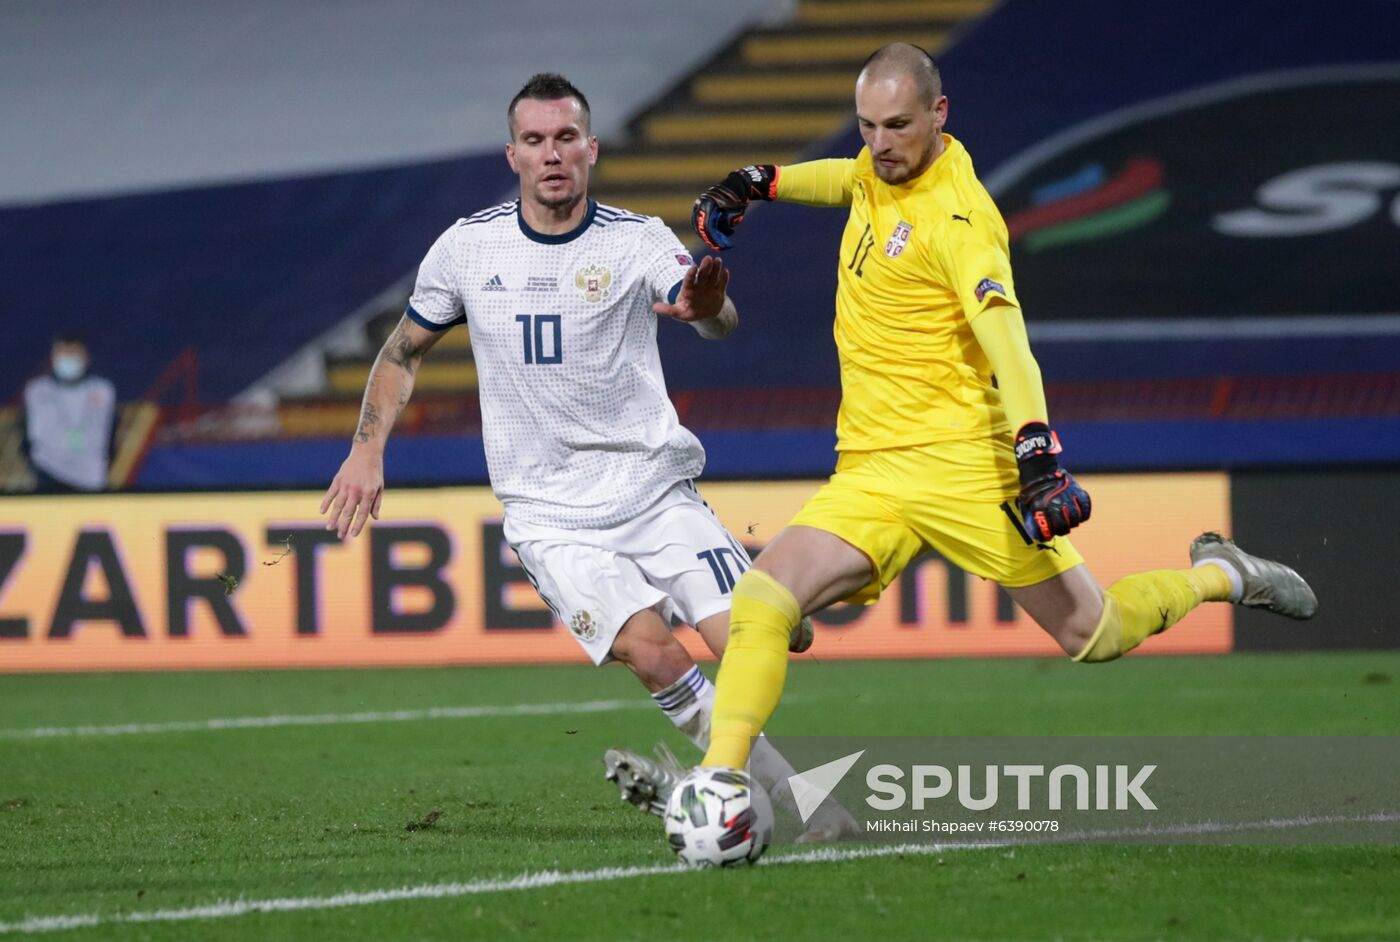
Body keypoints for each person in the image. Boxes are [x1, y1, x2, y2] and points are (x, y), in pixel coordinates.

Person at [687, 43, 1318, 775]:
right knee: (761, 599)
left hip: (965, 465)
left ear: (938, 113)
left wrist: (1038, 453)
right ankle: (721, 782)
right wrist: (760, 182)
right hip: (870, 468)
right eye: (866, 126)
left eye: (896, 126)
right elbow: (847, 180)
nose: (879, 145)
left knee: (1096, 632)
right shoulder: (878, 166)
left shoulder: (961, 220)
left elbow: (1009, 343)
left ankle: (1223, 575)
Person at [319, 73, 854, 840]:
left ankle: (725, 758)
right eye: (534, 141)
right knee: (653, 654)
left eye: (566, 138)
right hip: (551, 516)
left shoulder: (635, 239)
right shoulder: (469, 248)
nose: (551, 155)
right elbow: (403, 351)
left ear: (592, 149)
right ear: (512, 155)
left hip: (655, 491)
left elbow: (711, 311)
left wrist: (707, 310)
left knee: (760, 638)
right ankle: (798, 807)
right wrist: (366, 451)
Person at [21, 333, 117, 493]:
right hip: (47, 473)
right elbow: (26, 434)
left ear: (85, 357)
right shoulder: (37, 391)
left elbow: (111, 434)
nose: (68, 359)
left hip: (91, 477)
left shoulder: (102, 390)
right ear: (53, 357)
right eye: (63, 354)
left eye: (73, 353)